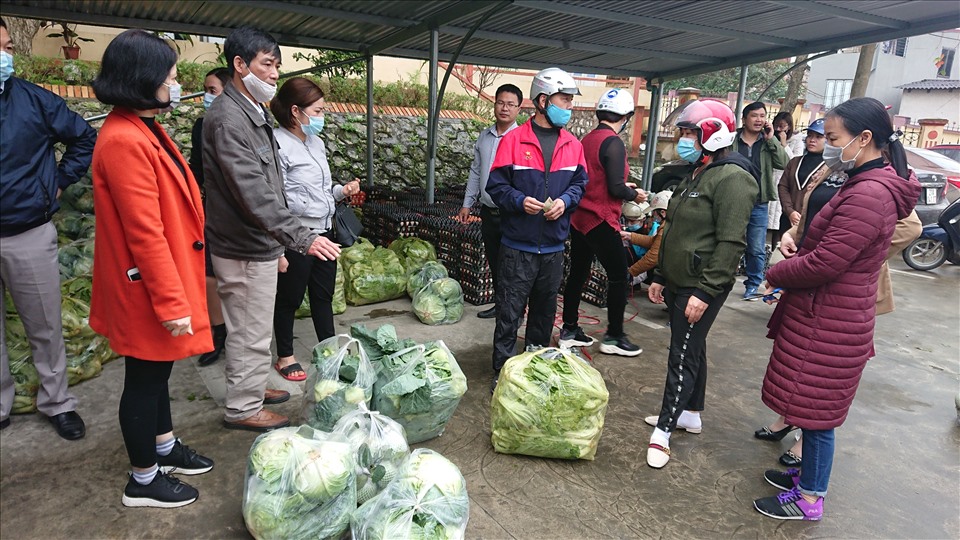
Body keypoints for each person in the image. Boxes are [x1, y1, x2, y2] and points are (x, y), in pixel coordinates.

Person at [752, 97, 920, 521]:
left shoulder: (870, 193)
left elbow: (827, 262)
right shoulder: (862, 181)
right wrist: (798, 241)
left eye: (832, 138)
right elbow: (830, 245)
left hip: (831, 320)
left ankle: (810, 498)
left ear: (865, 139)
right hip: (828, 315)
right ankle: (807, 479)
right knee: (811, 409)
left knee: (818, 417)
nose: (827, 146)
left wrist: (777, 272)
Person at [89, 29, 215, 509]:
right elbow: (145, 233)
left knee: (157, 375)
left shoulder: (141, 125)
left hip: (155, 280)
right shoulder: (124, 138)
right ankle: (142, 479)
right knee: (143, 381)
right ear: (144, 79)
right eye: (170, 75)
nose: (176, 82)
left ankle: (162, 449)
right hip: (144, 287)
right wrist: (170, 301)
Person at [203, 26, 340, 432]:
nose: (273, 74)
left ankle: (253, 386)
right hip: (243, 243)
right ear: (240, 65)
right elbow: (253, 192)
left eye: (277, 65)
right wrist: (301, 237)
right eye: (267, 64)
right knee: (247, 327)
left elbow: (270, 187)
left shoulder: (251, 113)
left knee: (255, 325)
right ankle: (243, 408)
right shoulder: (229, 119)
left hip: (259, 242)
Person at [642, 99, 759, 469]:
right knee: (693, 347)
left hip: (702, 282)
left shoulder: (734, 179)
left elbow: (731, 242)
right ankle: (691, 411)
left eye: (690, 133)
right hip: (679, 277)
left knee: (681, 353)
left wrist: (705, 292)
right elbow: (675, 228)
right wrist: (660, 274)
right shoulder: (700, 171)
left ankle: (663, 430)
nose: (684, 140)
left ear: (712, 134)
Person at [0, 17, 95, 439]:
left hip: (27, 231)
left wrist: (56, 182)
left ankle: (57, 402)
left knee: (44, 323)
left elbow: (85, 138)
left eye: (6, 46)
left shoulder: (33, 99)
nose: (6, 56)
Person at [486, 67, 587, 392]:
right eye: (564, 100)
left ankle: (536, 369)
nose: (569, 108)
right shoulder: (514, 140)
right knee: (509, 314)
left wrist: (566, 201)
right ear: (543, 100)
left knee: (544, 316)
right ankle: (503, 376)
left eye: (571, 102)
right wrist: (519, 201)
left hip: (554, 249)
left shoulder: (573, 144)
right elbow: (496, 186)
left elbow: (580, 183)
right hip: (518, 247)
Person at [270, 77, 360, 381]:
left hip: (325, 232)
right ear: (296, 111)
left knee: (323, 295)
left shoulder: (317, 143)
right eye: (318, 111)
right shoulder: (277, 144)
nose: (322, 117)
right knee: (289, 298)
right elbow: (275, 197)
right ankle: (285, 356)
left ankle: (329, 347)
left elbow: (320, 190)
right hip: (296, 235)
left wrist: (340, 190)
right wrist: (281, 245)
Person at [560, 88, 646, 357]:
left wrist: (622, 187)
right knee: (620, 276)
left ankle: (570, 329)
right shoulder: (614, 142)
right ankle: (614, 336)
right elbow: (616, 187)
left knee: (578, 272)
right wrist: (636, 194)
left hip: (579, 217)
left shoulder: (587, 139)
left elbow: (595, 176)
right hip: (599, 218)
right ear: (626, 116)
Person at [458, 84, 523, 320]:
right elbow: (476, 172)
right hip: (488, 211)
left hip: (512, 213)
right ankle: (500, 304)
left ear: (518, 108)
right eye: (500, 103)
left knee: (513, 264)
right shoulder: (484, 137)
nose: (504, 108)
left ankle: (515, 309)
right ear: (494, 104)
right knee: (495, 261)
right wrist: (467, 203)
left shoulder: (522, 139)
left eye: (510, 104)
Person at [189, 66, 230, 367]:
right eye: (205, 90)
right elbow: (195, 169)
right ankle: (217, 334)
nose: (206, 96)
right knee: (209, 275)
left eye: (212, 90)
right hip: (210, 210)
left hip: (239, 214)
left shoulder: (248, 124)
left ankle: (238, 334)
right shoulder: (201, 126)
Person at [731, 101, 789, 299]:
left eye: (762, 116)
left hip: (758, 202)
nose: (759, 119)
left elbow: (784, 163)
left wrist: (773, 139)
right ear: (744, 119)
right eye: (754, 115)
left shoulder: (767, 142)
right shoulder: (732, 141)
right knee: (728, 242)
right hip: (733, 201)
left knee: (756, 247)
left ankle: (753, 285)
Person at [768, 111, 806, 247]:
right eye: (777, 126)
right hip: (771, 180)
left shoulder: (797, 142)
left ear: (789, 127)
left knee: (778, 220)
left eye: (782, 126)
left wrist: (784, 145)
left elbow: (794, 162)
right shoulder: (770, 138)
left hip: (784, 182)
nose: (779, 130)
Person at [622, 190, 672, 283]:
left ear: (663, 212)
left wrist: (630, 273)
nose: (653, 215)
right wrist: (630, 236)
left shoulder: (666, 228)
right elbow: (654, 241)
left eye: (655, 212)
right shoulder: (668, 225)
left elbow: (653, 256)